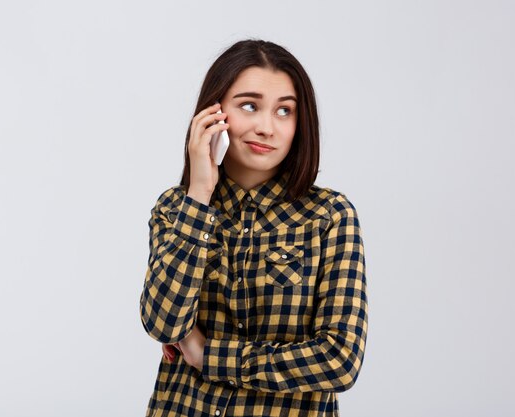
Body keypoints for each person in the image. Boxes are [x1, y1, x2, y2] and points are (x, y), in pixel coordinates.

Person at [139, 39, 368, 417]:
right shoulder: (175, 208)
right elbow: (163, 321)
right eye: (249, 106)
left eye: (284, 111)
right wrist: (200, 192)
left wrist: (208, 355)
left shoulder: (329, 216)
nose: (266, 127)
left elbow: (339, 358)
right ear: (213, 114)